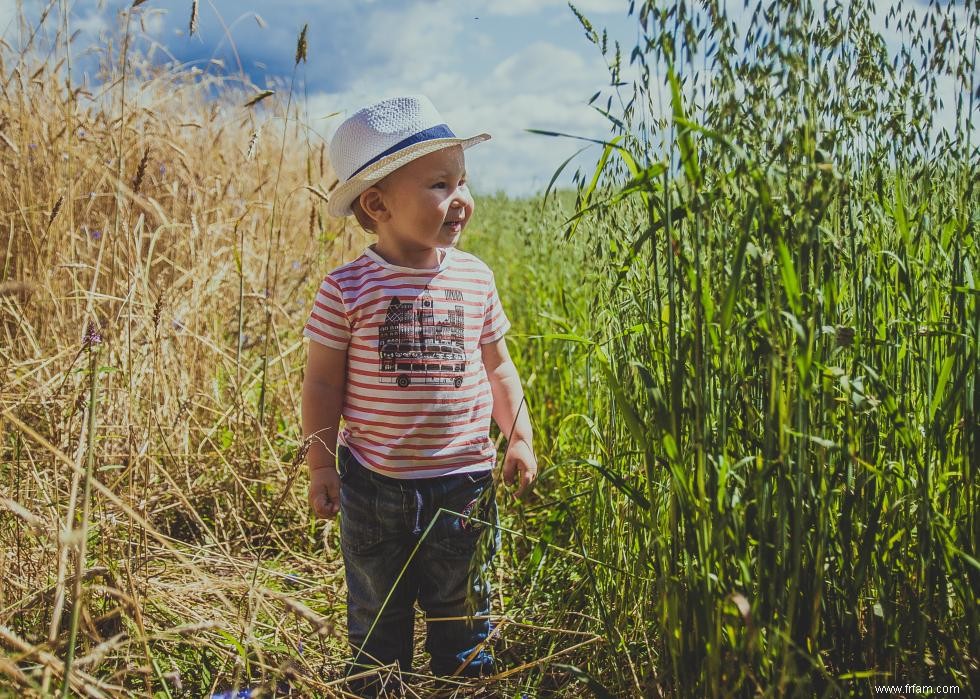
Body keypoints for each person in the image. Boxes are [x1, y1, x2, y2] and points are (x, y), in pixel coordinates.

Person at [301, 95, 537, 695]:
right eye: (439, 184)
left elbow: (499, 368)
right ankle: (382, 684)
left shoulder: (474, 277)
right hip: (373, 484)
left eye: (463, 180)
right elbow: (323, 382)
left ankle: (462, 682)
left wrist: (518, 436)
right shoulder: (347, 289)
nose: (461, 198)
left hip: (463, 480)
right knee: (378, 609)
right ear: (377, 204)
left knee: (462, 605)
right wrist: (320, 463)